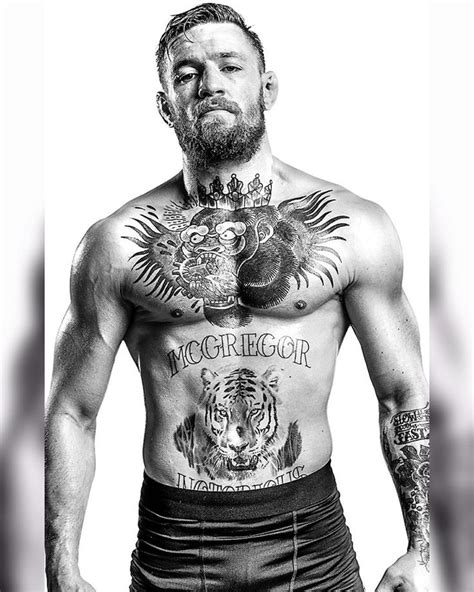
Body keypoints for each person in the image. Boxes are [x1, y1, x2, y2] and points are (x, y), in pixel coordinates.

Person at [45, 3, 429, 591]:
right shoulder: (115, 245)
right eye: (188, 74)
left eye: (230, 66)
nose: (211, 84)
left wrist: (421, 547)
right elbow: (72, 410)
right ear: (165, 105)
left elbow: (404, 396)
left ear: (267, 87)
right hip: (175, 545)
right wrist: (62, 567)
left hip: (310, 543)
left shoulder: (355, 229)